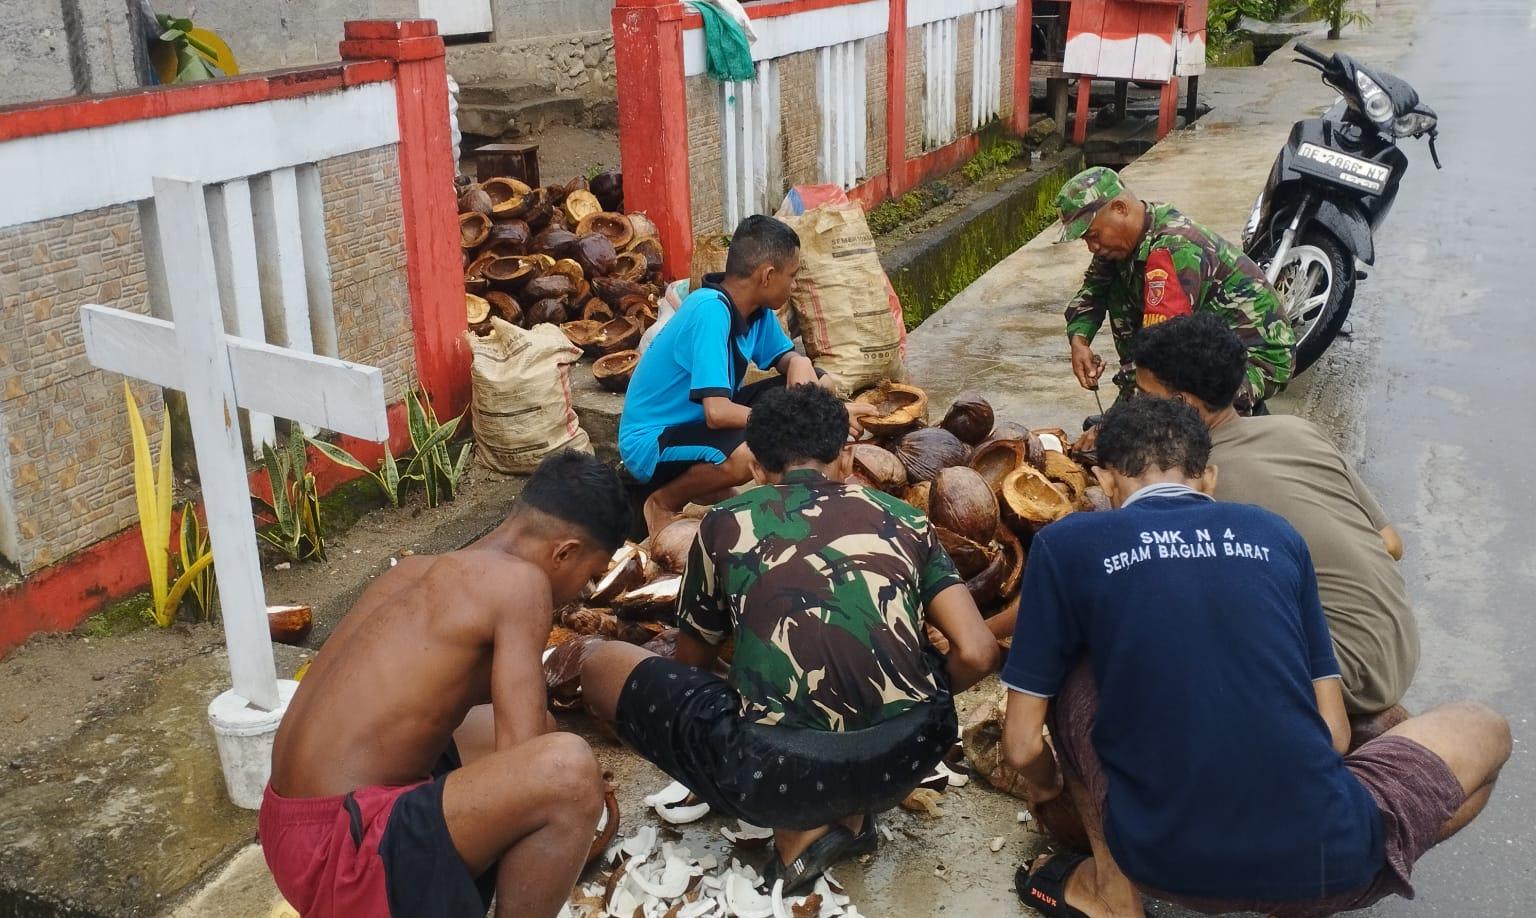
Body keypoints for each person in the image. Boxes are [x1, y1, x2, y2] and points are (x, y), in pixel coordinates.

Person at [1000, 398, 1510, 918]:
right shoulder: (1277, 534)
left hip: (1161, 862)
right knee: (1485, 728)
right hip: (1332, 864)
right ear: (1210, 478)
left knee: (1068, 666)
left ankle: (1113, 897)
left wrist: (1048, 787)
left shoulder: (1065, 545)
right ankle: (1314, 882)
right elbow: (1333, 734)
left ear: (1106, 481)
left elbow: (1021, 746)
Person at [583, 384, 997, 895]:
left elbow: (692, 661)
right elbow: (979, 652)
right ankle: (848, 814)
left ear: (757, 469)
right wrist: (905, 700)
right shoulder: (907, 520)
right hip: (909, 754)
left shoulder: (724, 524)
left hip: (774, 773)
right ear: (846, 458)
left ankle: (800, 831)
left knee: (601, 666)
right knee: (904, 666)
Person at [260, 450, 631, 918]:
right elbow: (525, 759)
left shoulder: (417, 570)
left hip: (286, 828)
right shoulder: (521, 585)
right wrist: (575, 811)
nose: (583, 590)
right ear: (565, 552)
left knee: (531, 727)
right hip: (344, 857)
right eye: (590, 575)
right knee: (571, 773)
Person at [1132, 313, 1417, 745]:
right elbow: (1392, 543)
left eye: (1144, 396)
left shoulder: (1196, 483)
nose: (1136, 409)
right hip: (1398, 643)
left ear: (1183, 405)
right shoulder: (1297, 431)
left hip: (1344, 672)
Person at [618, 214, 871, 536]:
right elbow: (717, 412)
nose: (794, 285)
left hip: (696, 424)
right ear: (768, 275)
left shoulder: (755, 311)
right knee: (751, 454)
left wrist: (798, 363)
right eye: (792, 276)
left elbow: (785, 358)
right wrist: (796, 421)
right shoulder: (710, 310)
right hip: (652, 440)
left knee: (819, 381)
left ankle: (714, 488)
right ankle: (662, 503)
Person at [1055, 166, 1295, 414]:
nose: (1092, 247)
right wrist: (1079, 341)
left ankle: (1237, 417)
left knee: (1182, 412)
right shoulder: (1121, 244)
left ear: (1120, 209)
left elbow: (1163, 351)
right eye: (1086, 240)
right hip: (1202, 349)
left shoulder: (1174, 249)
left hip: (1253, 356)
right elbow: (1093, 290)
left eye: (1094, 235)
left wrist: (1119, 422)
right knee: (1116, 288)